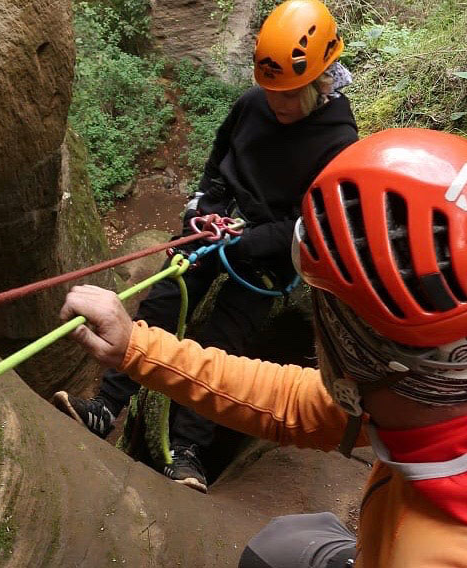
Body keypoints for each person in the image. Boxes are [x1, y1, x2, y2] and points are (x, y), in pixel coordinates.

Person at [58, 128, 467, 567]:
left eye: (324, 308)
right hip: (384, 540)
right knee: (285, 546)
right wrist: (135, 347)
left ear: (358, 350)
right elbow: (295, 403)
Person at [53, 0, 358, 493]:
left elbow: (312, 225)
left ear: (321, 82)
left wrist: (246, 241)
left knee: (225, 337)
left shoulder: (339, 141)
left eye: (288, 94)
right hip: (219, 230)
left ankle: (188, 447)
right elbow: (220, 162)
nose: (276, 105)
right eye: (270, 90)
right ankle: (106, 407)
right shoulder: (253, 103)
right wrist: (203, 209)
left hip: (270, 255)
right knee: (165, 297)